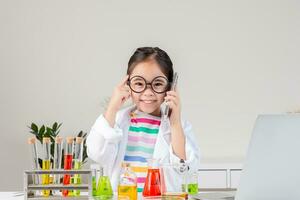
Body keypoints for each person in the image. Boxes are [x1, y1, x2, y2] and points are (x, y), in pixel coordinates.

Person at [87, 47, 200, 192]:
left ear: (170, 87)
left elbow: (184, 168)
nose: (148, 92)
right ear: (128, 84)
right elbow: (97, 153)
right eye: (139, 83)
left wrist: (175, 122)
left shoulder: (177, 127)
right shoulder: (117, 121)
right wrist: (112, 108)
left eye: (158, 84)